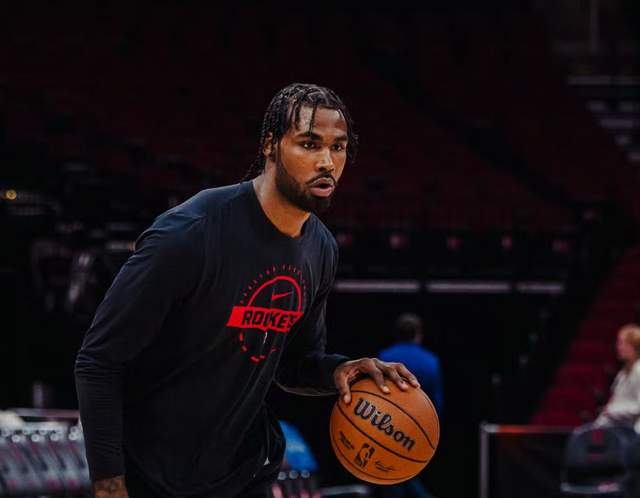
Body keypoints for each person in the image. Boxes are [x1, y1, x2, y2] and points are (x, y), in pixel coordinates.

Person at [74, 83, 421, 498]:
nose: (327, 162)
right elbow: (98, 362)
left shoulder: (321, 247)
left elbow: (293, 364)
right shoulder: (190, 234)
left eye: (339, 147)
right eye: (309, 144)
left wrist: (339, 370)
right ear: (270, 145)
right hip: (154, 476)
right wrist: (109, 485)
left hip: (243, 472)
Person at [377, 313, 443, 498]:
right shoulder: (431, 361)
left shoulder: (384, 358)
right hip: (418, 430)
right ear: (418, 334)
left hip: (387, 428)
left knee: (393, 479)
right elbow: (436, 402)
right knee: (410, 475)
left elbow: (377, 396)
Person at [595, 324, 640, 431]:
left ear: (634, 346)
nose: (618, 347)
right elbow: (615, 401)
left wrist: (612, 410)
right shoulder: (623, 373)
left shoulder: (638, 370)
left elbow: (638, 407)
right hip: (619, 426)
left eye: (622, 343)